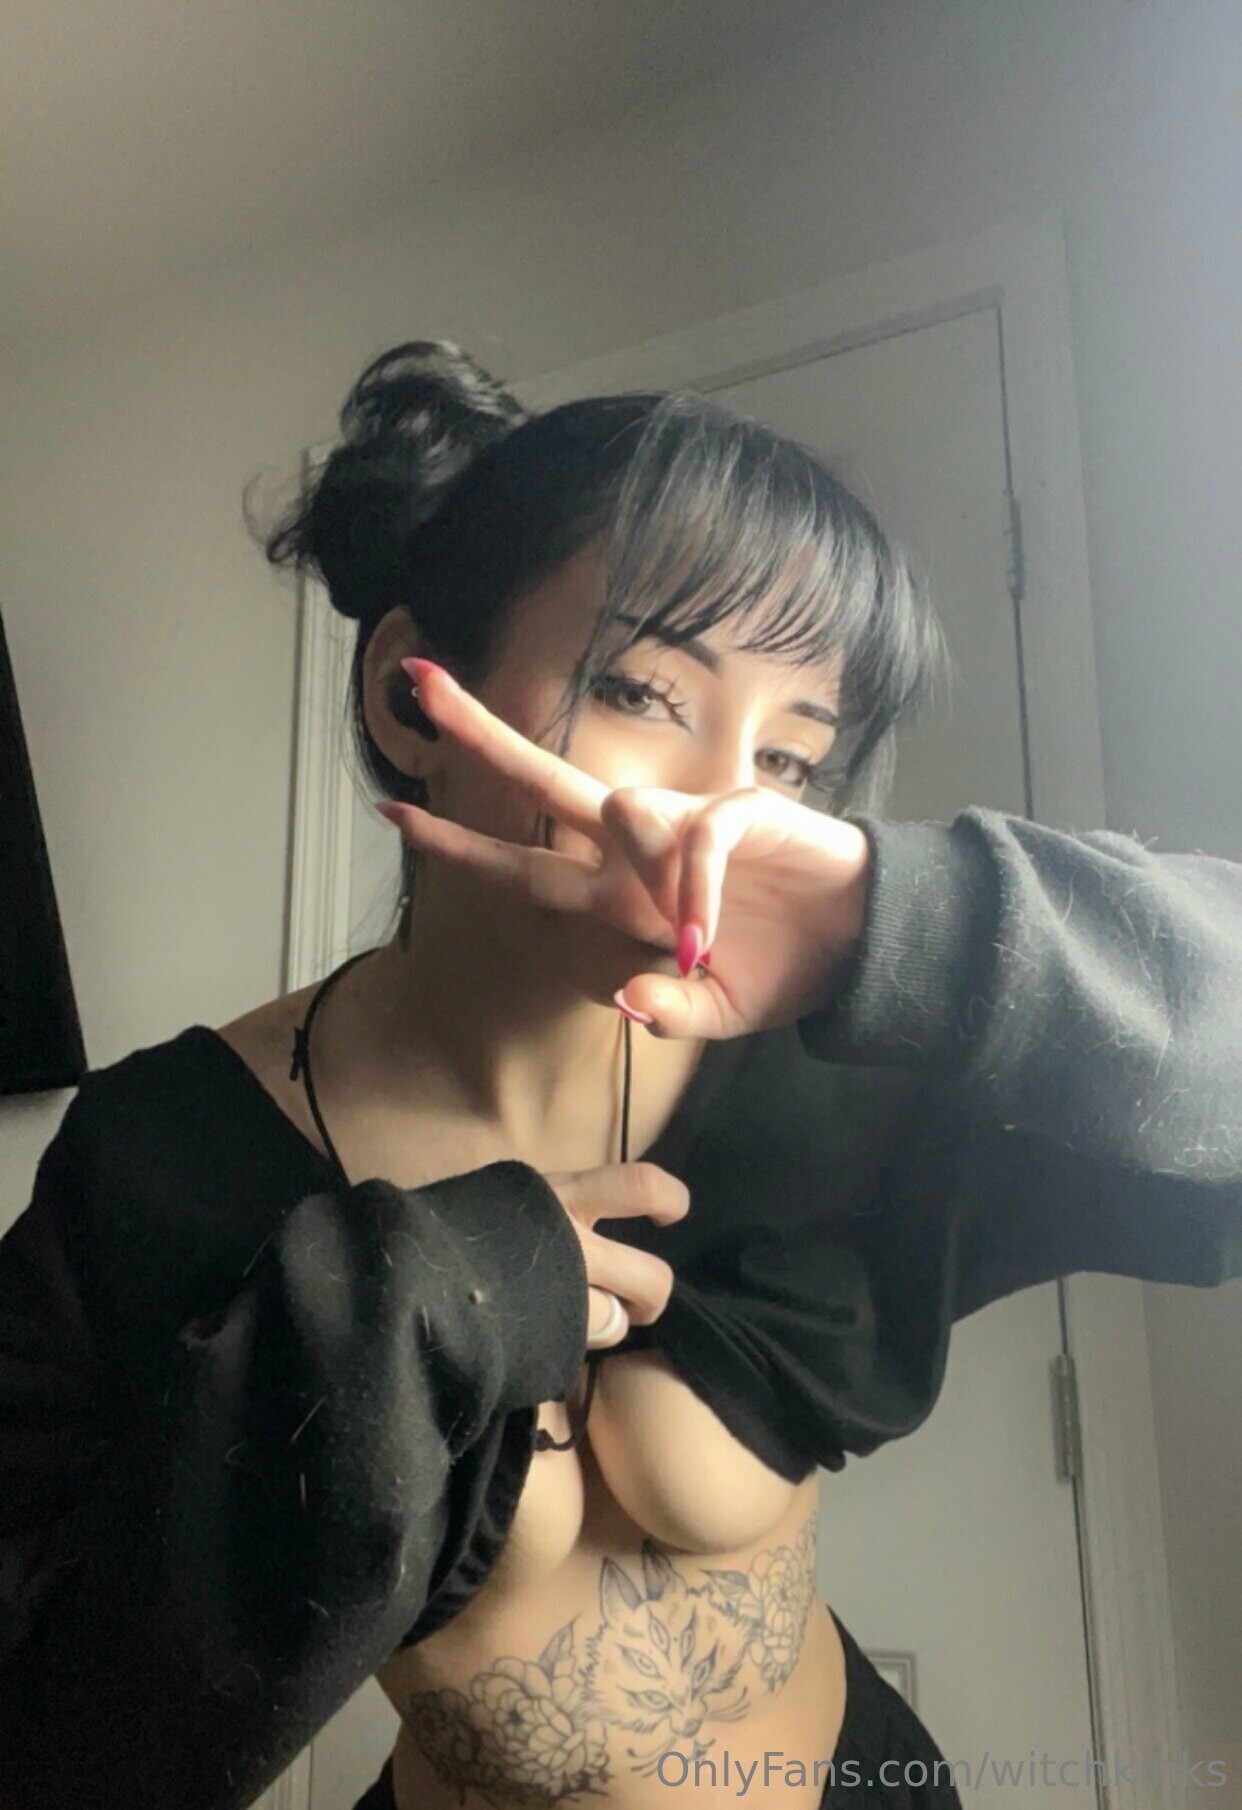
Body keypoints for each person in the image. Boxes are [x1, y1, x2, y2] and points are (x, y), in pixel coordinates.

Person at [1, 341, 1238, 1810]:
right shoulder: (165, 1153)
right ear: (410, 700)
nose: (723, 814)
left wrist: (898, 918)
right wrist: (399, 1309)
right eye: (646, 692)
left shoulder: (836, 1077)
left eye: (790, 763)